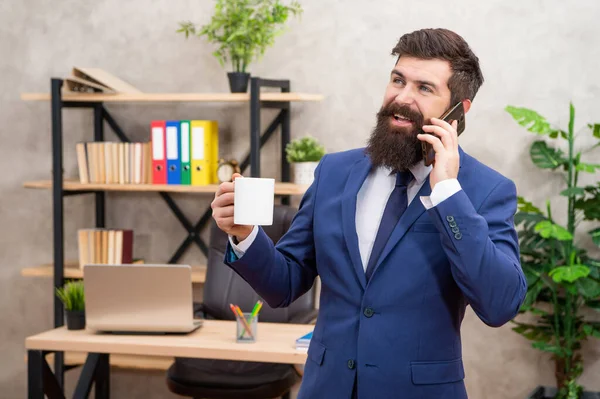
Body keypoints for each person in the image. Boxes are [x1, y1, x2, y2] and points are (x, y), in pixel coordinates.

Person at [211, 28, 527, 399]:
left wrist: (447, 192)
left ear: (459, 110)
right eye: (398, 80)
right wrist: (245, 234)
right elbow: (285, 285)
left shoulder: (485, 190)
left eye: (424, 88)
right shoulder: (333, 173)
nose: (402, 98)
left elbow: (500, 304)